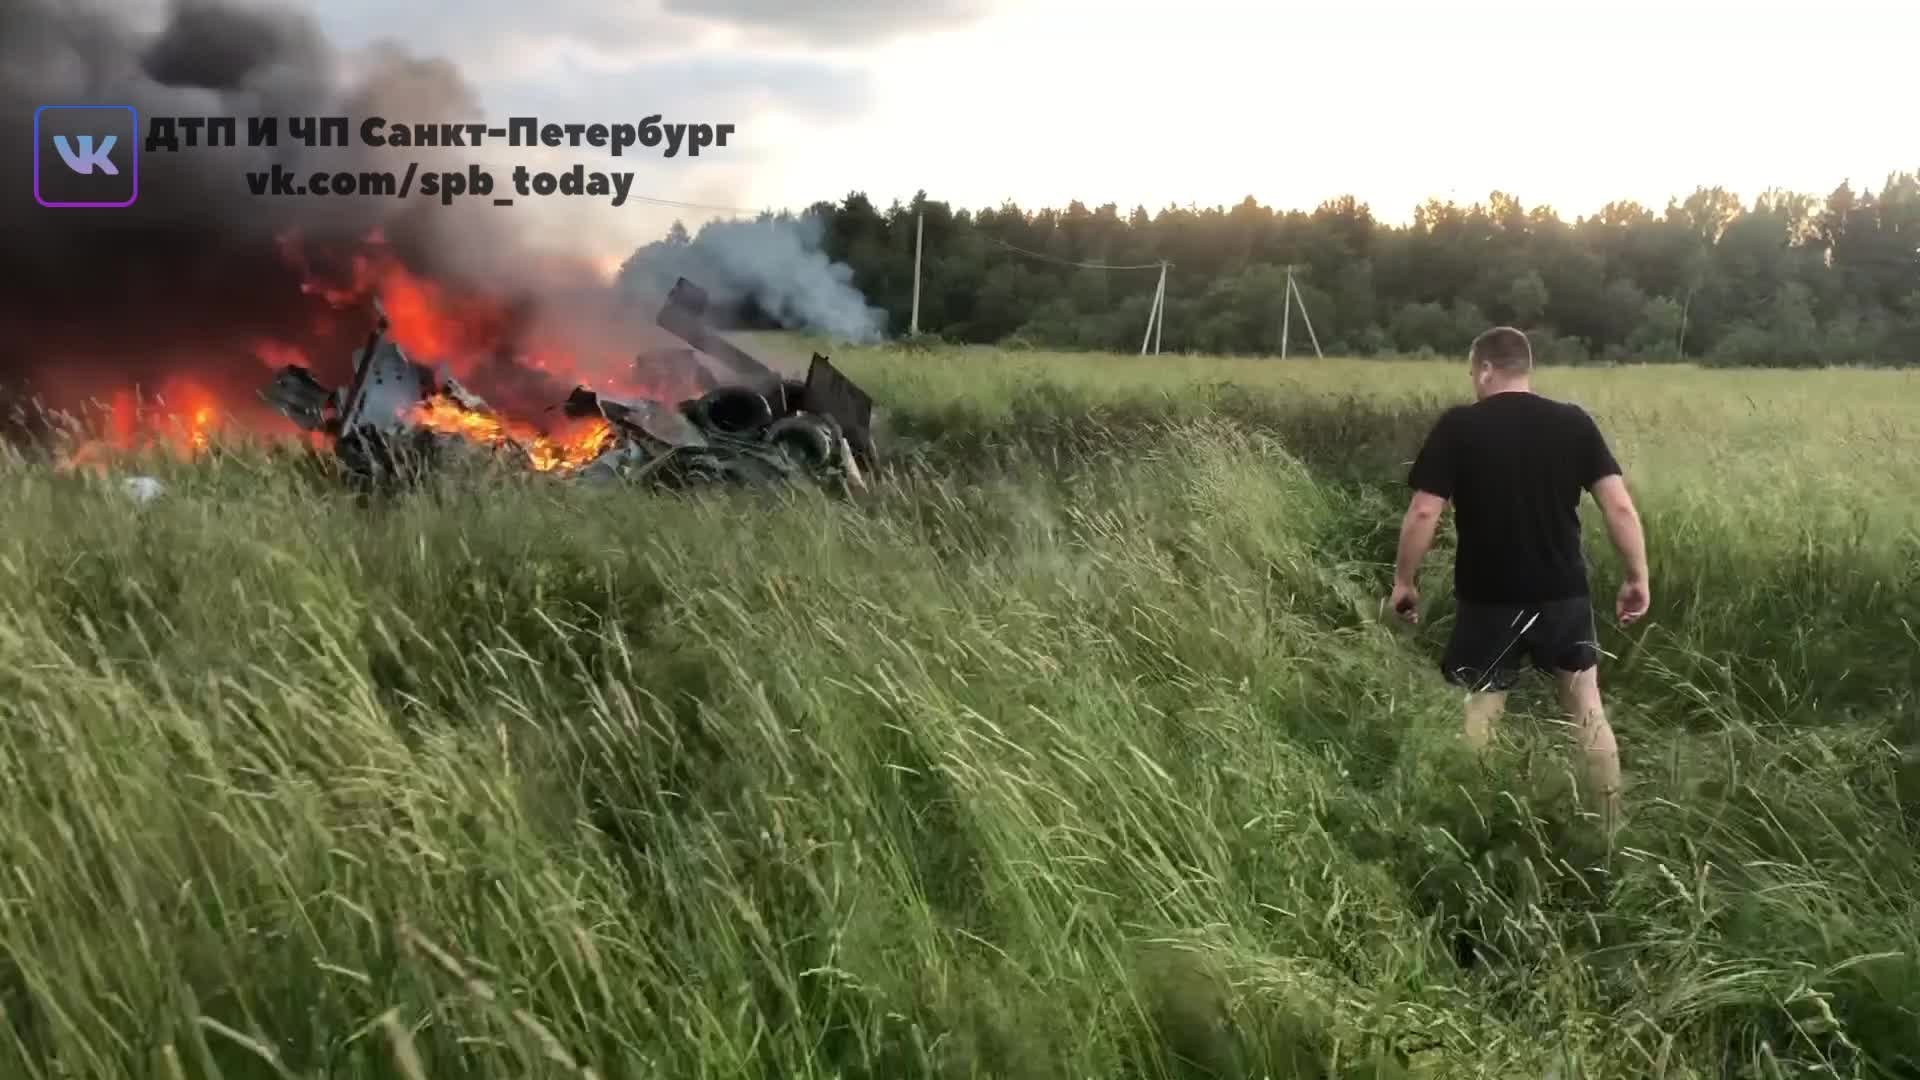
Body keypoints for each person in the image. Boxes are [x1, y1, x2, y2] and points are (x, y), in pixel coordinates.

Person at [1388, 326, 1649, 831]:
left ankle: (1469, 828)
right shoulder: (1573, 423)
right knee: (1587, 711)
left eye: (1472, 373)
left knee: (1481, 712)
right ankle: (1612, 829)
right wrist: (1636, 575)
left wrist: (1405, 580)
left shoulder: (1460, 426)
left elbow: (1424, 513)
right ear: (1525, 367)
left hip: (1489, 597)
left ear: (1485, 368)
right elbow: (1617, 504)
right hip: (1562, 592)